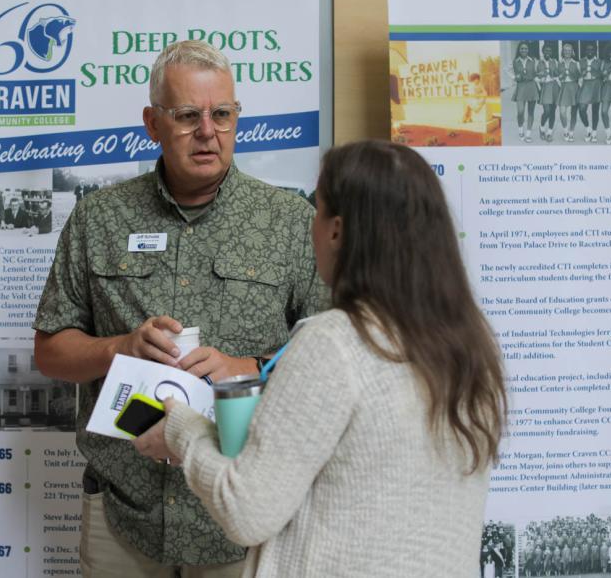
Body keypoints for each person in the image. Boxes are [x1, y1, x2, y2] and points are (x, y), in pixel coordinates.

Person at [33, 40, 327, 577]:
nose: (208, 131)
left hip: (241, 509)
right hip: (125, 509)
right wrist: (119, 347)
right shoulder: (98, 219)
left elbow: (327, 354)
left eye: (222, 114)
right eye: (188, 115)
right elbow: (51, 351)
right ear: (153, 122)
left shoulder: (289, 221)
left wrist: (248, 370)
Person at [156, 140, 507, 577]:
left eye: (317, 210)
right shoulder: (473, 343)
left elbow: (247, 510)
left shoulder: (335, 341)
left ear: (337, 229)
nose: (311, 228)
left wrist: (182, 428)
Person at [512, 41, 540, 143]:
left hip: (531, 87)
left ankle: (528, 134)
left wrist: (538, 77)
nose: (524, 50)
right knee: (520, 112)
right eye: (522, 48)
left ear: (528, 50)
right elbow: (509, 71)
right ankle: (520, 130)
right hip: (521, 87)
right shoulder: (515, 61)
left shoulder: (533, 60)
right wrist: (515, 77)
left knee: (530, 112)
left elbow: (537, 73)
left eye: (526, 48)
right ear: (519, 50)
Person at [578, 41, 603, 143]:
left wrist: (599, 75)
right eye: (588, 49)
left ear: (595, 51)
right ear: (585, 51)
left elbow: (603, 75)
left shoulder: (599, 62)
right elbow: (577, 75)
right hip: (585, 85)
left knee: (595, 111)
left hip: (596, 85)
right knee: (582, 109)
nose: (590, 51)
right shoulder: (581, 61)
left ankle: (594, 133)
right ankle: (588, 129)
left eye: (592, 50)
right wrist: (581, 75)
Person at [557, 42, 582, 143]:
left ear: (572, 52)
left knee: (573, 113)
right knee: (562, 112)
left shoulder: (576, 63)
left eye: (569, 50)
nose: (567, 52)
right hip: (563, 88)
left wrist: (579, 86)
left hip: (574, 88)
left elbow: (581, 77)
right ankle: (565, 130)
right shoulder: (559, 63)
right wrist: (560, 80)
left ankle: (571, 132)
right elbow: (556, 76)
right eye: (565, 50)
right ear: (562, 52)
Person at [537, 42, 561, 142]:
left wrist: (555, 74)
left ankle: (549, 133)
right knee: (546, 111)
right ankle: (542, 127)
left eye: (549, 51)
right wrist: (540, 76)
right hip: (545, 87)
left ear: (551, 53)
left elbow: (559, 74)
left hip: (554, 86)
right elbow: (535, 76)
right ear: (543, 51)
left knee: (553, 111)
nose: (548, 52)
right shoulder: (538, 63)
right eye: (546, 51)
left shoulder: (555, 62)